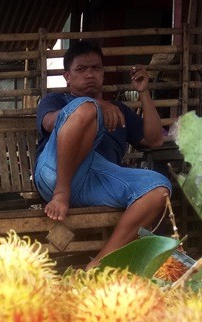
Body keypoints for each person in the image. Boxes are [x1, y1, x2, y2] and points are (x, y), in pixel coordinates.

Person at [34, 40, 172, 269]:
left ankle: (100, 264)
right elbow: (50, 124)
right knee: (86, 108)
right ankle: (62, 193)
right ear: (67, 76)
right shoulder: (55, 100)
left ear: (103, 73)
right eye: (81, 69)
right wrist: (96, 106)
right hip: (56, 174)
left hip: (97, 181)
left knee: (159, 188)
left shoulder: (119, 109)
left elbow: (155, 139)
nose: (90, 74)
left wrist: (144, 93)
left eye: (96, 68)